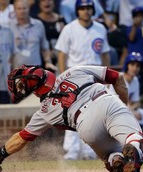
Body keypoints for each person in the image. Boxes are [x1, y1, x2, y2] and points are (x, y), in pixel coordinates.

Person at [0, 64, 143, 172]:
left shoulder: (44, 111)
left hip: (86, 125)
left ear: (33, 89)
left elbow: (21, 138)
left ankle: (116, 160)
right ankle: (134, 151)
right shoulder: (74, 71)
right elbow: (116, 77)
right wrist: (122, 106)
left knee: (110, 156)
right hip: (105, 101)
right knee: (134, 137)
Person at [55, 0, 110, 160]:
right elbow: (62, 54)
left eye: (88, 8)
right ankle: (72, 150)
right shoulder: (69, 28)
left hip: (94, 77)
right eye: (82, 8)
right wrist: (64, 76)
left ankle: (89, 149)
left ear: (93, 10)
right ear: (77, 10)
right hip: (75, 77)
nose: (86, 11)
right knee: (71, 112)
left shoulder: (100, 28)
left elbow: (105, 54)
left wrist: (106, 77)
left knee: (94, 114)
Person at [9, 0, 57, 71]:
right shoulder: (9, 27)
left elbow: (44, 46)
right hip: (17, 70)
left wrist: (48, 61)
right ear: (14, 10)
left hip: (35, 69)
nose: (22, 11)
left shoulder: (38, 24)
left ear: (29, 8)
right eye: (19, 8)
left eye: (24, 8)